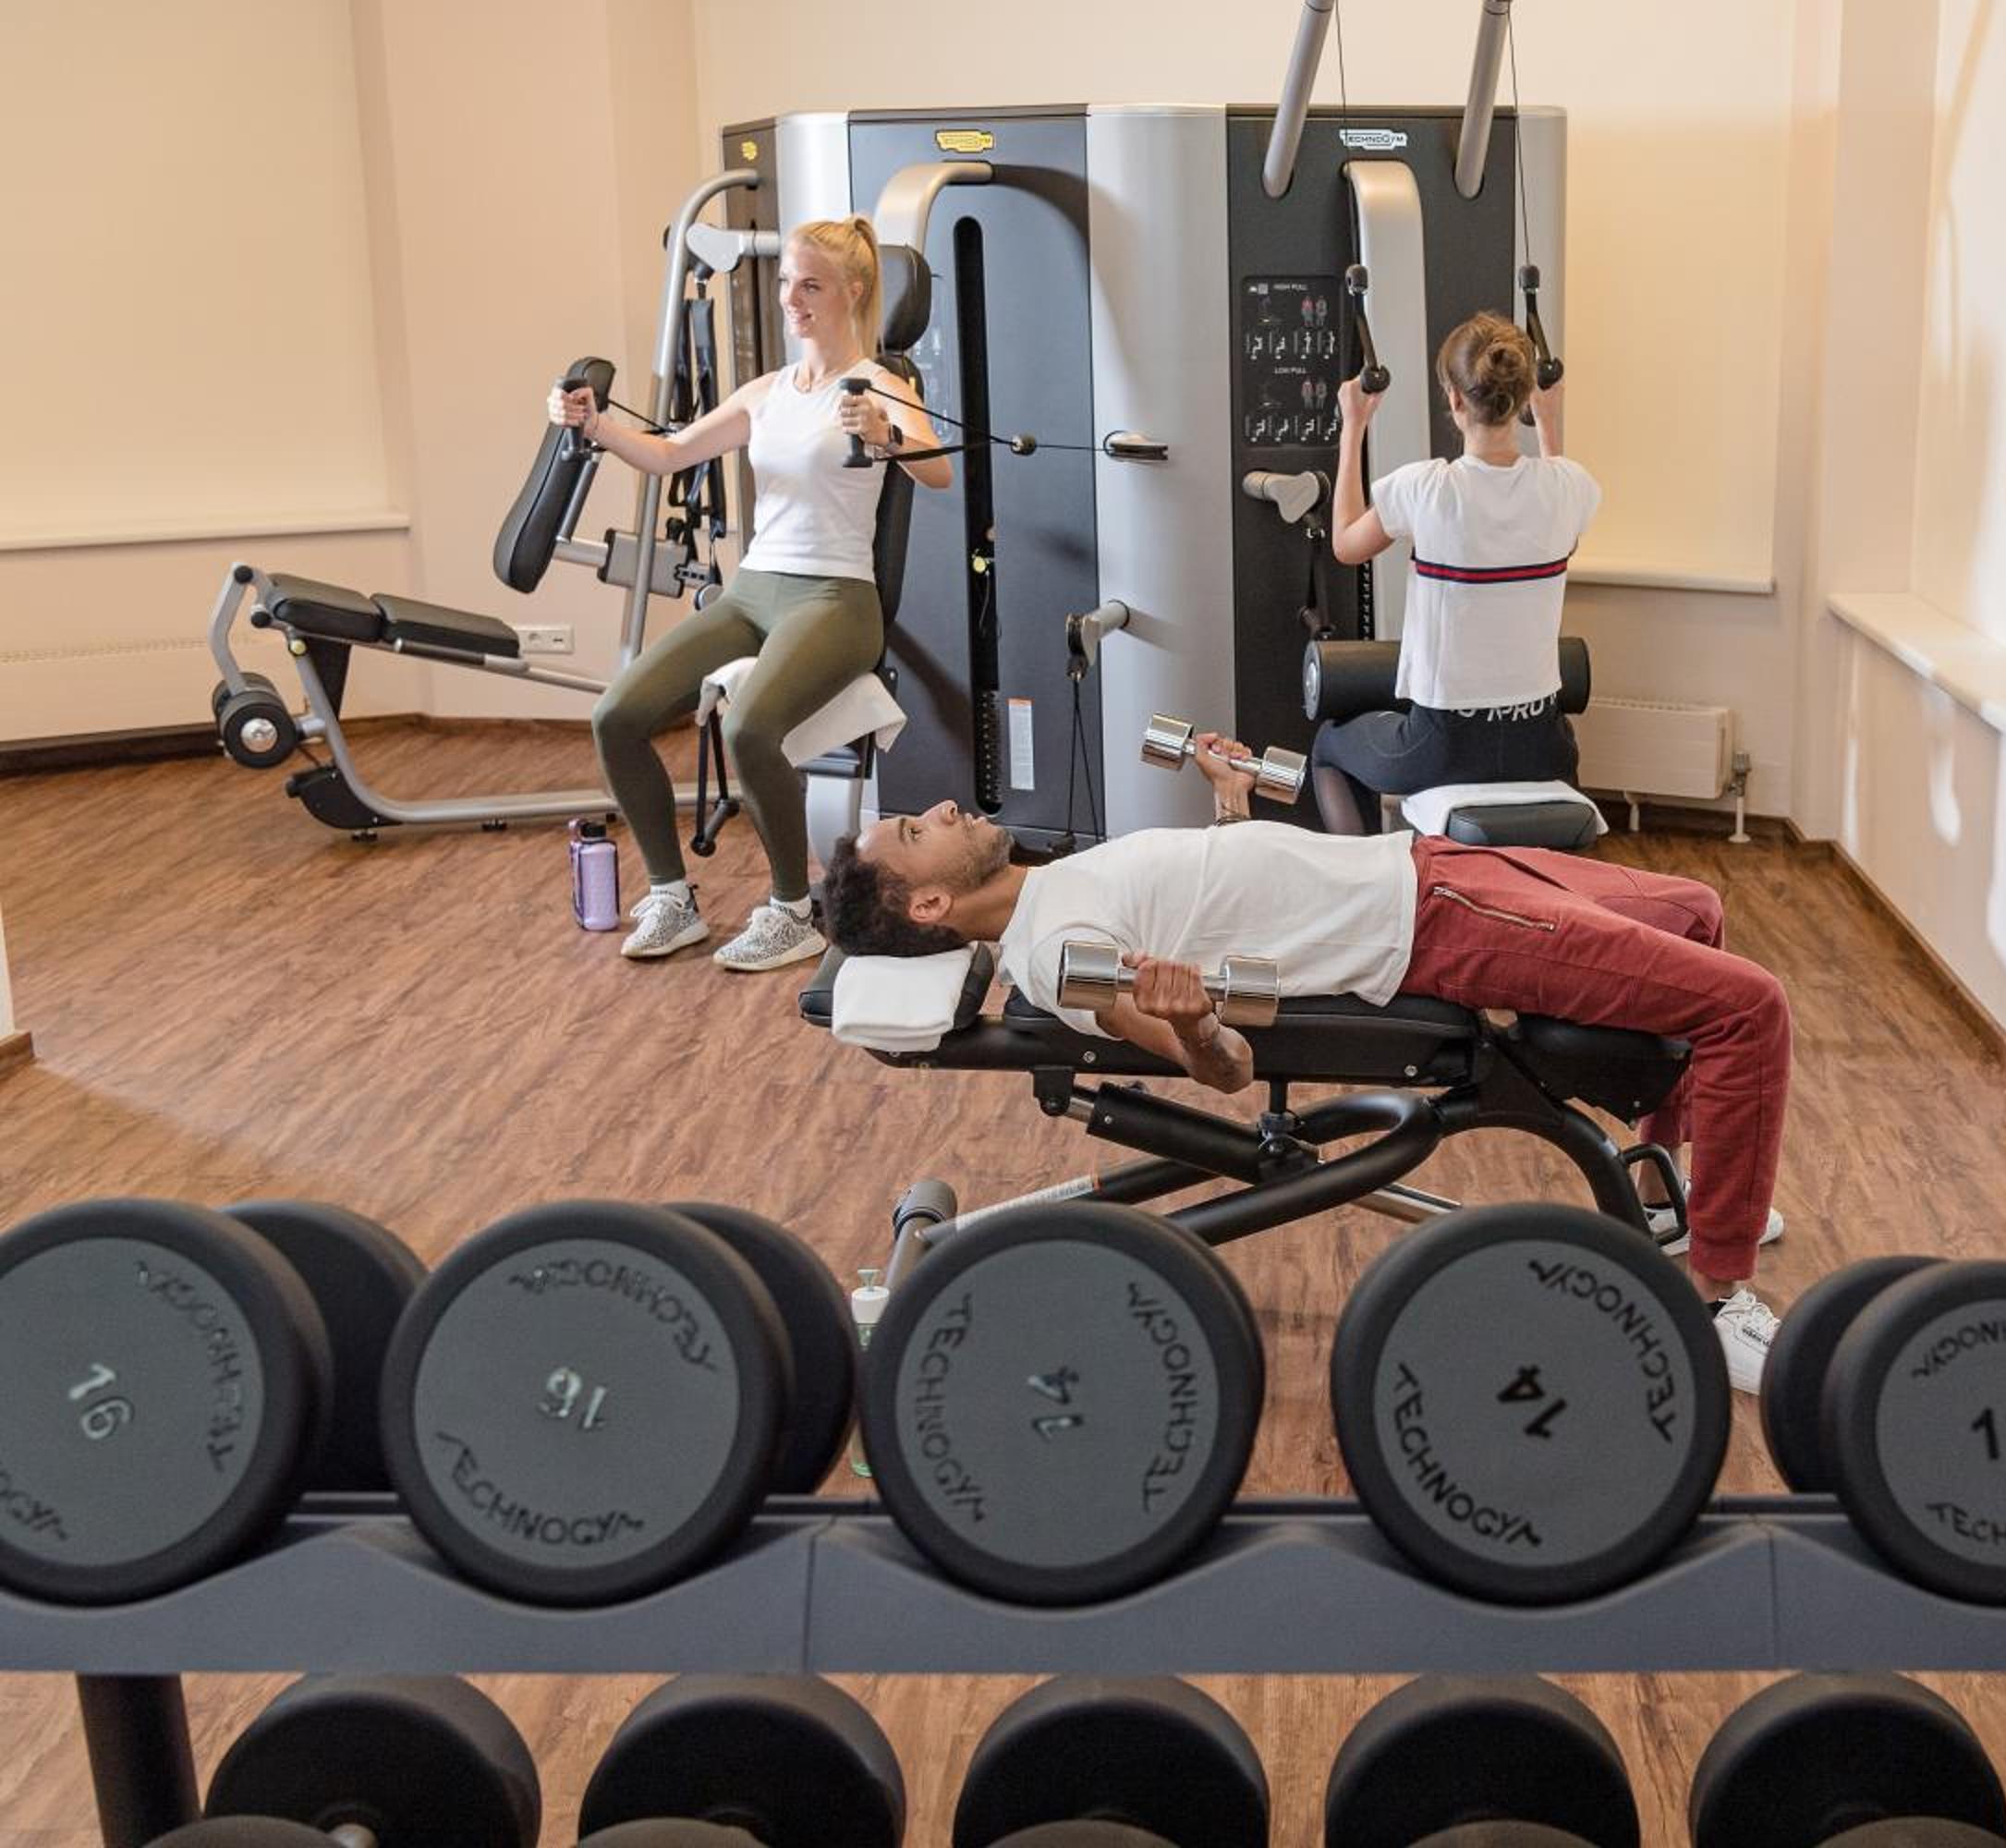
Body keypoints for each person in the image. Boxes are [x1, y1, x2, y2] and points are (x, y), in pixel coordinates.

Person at [818, 737, 1793, 1392]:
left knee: (1695, 912)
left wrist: (1229, 802)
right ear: (929, 908)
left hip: (1425, 865)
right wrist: (1194, 1025)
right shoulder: (1056, 951)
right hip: (1432, 922)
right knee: (1749, 1006)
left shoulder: (1052, 884)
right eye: (915, 832)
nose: (938, 807)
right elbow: (1225, 1071)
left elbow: (1220, 897)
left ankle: (1660, 1201)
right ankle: (1711, 1297)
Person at [551, 217, 953, 971]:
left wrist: (885, 435)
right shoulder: (768, 392)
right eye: (786, 283)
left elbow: (939, 472)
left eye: (810, 285)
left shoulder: (881, 387)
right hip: (752, 592)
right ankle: (671, 899)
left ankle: (792, 911)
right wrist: (595, 424)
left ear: (853, 291)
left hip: (835, 599)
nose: (791, 299)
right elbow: (669, 454)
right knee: (616, 717)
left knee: (748, 730)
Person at [1315, 312, 1598, 835]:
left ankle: (1368, 880)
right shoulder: (1567, 487)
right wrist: (1549, 421)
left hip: (1441, 747)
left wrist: (1353, 426)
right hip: (1544, 746)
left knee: (1329, 746)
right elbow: (1567, 522)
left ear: (1454, 399)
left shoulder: (1427, 487)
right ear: (1524, 396)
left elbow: (1346, 545)